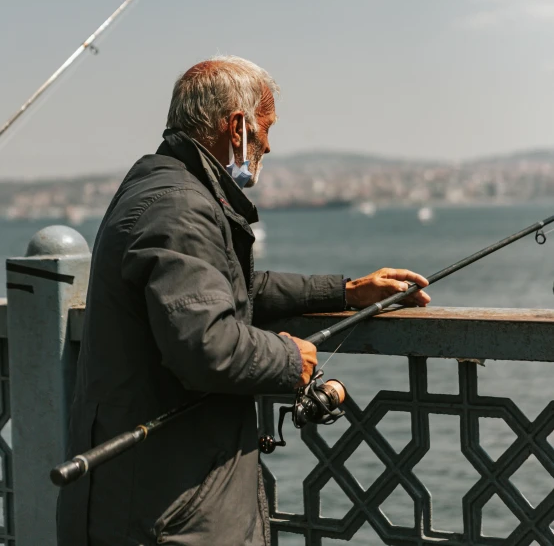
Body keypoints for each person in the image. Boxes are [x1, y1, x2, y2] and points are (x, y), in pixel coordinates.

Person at [57, 56, 430, 546]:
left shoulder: (158, 186)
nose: (269, 146)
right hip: (169, 511)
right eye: (266, 129)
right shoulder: (179, 206)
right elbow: (208, 347)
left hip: (146, 492)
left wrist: (345, 291)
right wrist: (289, 358)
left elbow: (228, 288)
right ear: (237, 127)